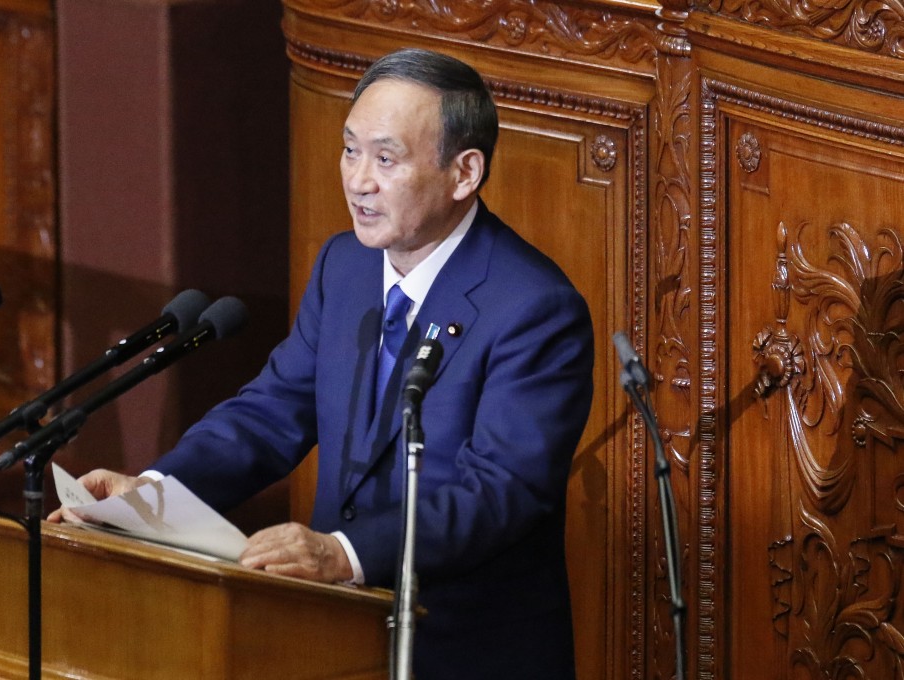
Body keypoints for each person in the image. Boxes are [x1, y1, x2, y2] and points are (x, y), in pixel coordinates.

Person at [51, 47, 594, 679]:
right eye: (350, 149)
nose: (358, 179)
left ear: (464, 172)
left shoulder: (534, 306)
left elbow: (501, 491)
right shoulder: (346, 265)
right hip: (333, 637)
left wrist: (343, 553)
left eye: (385, 158)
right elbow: (271, 410)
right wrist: (154, 497)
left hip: (463, 648)